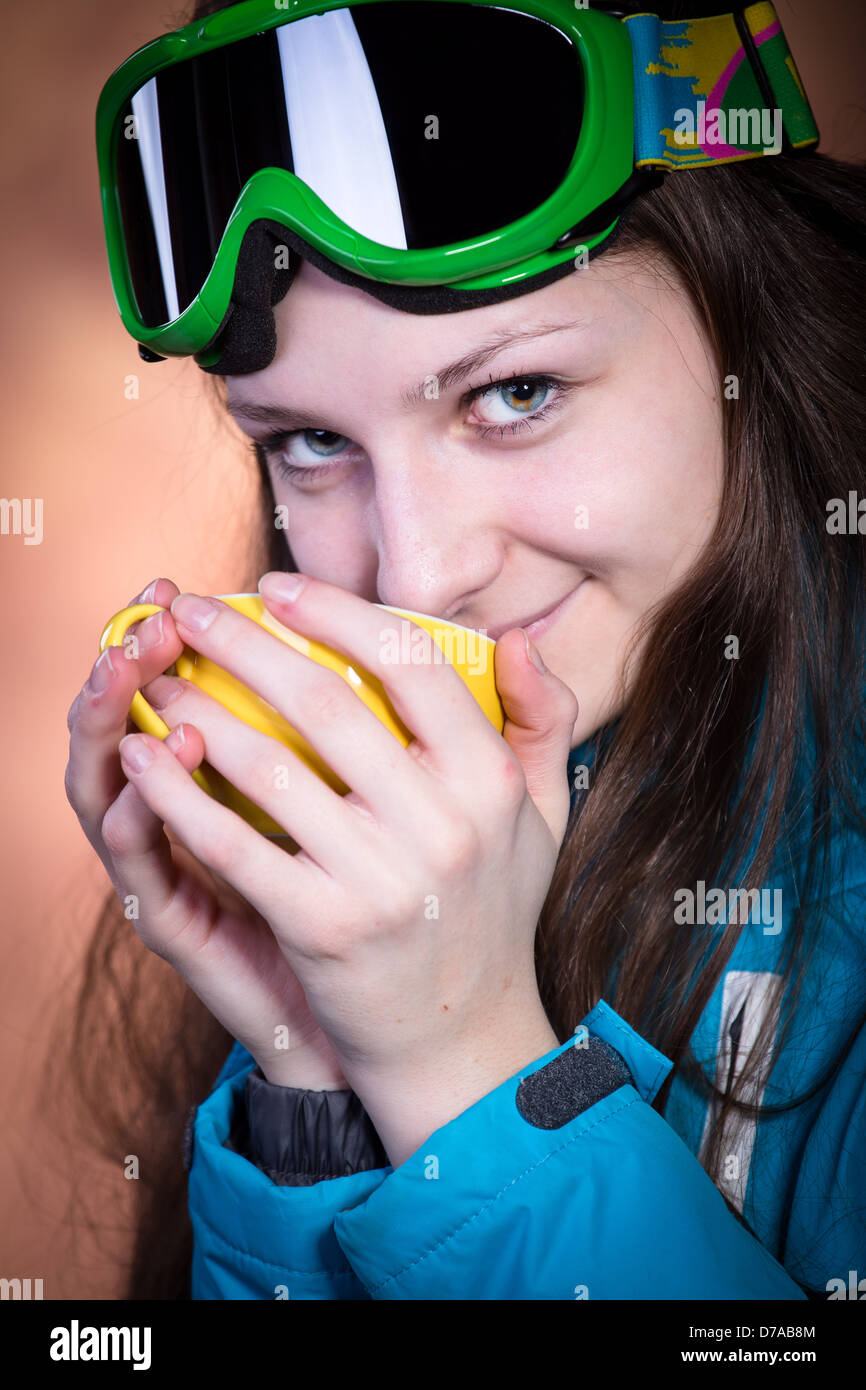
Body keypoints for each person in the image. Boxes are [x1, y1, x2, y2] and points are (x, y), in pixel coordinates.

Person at [63, 0, 866, 1298]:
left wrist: (472, 1077)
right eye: (309, 443)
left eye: (513, 394)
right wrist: (315, 1067)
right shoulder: (385, 849)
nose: (418, 572)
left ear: (750, 320)